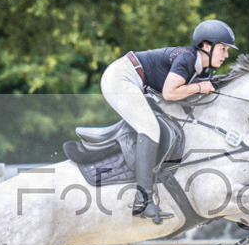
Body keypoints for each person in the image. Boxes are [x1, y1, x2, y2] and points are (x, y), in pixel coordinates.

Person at [100, 18, 237, 222]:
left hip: (138, 83)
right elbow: (170, 93)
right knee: (150, 128)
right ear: (206, 46)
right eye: (223, 49)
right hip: (121, 78)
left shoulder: (201, 68)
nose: (226, 55)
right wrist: (200, 87)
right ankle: (143, 201)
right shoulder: (187, 58)